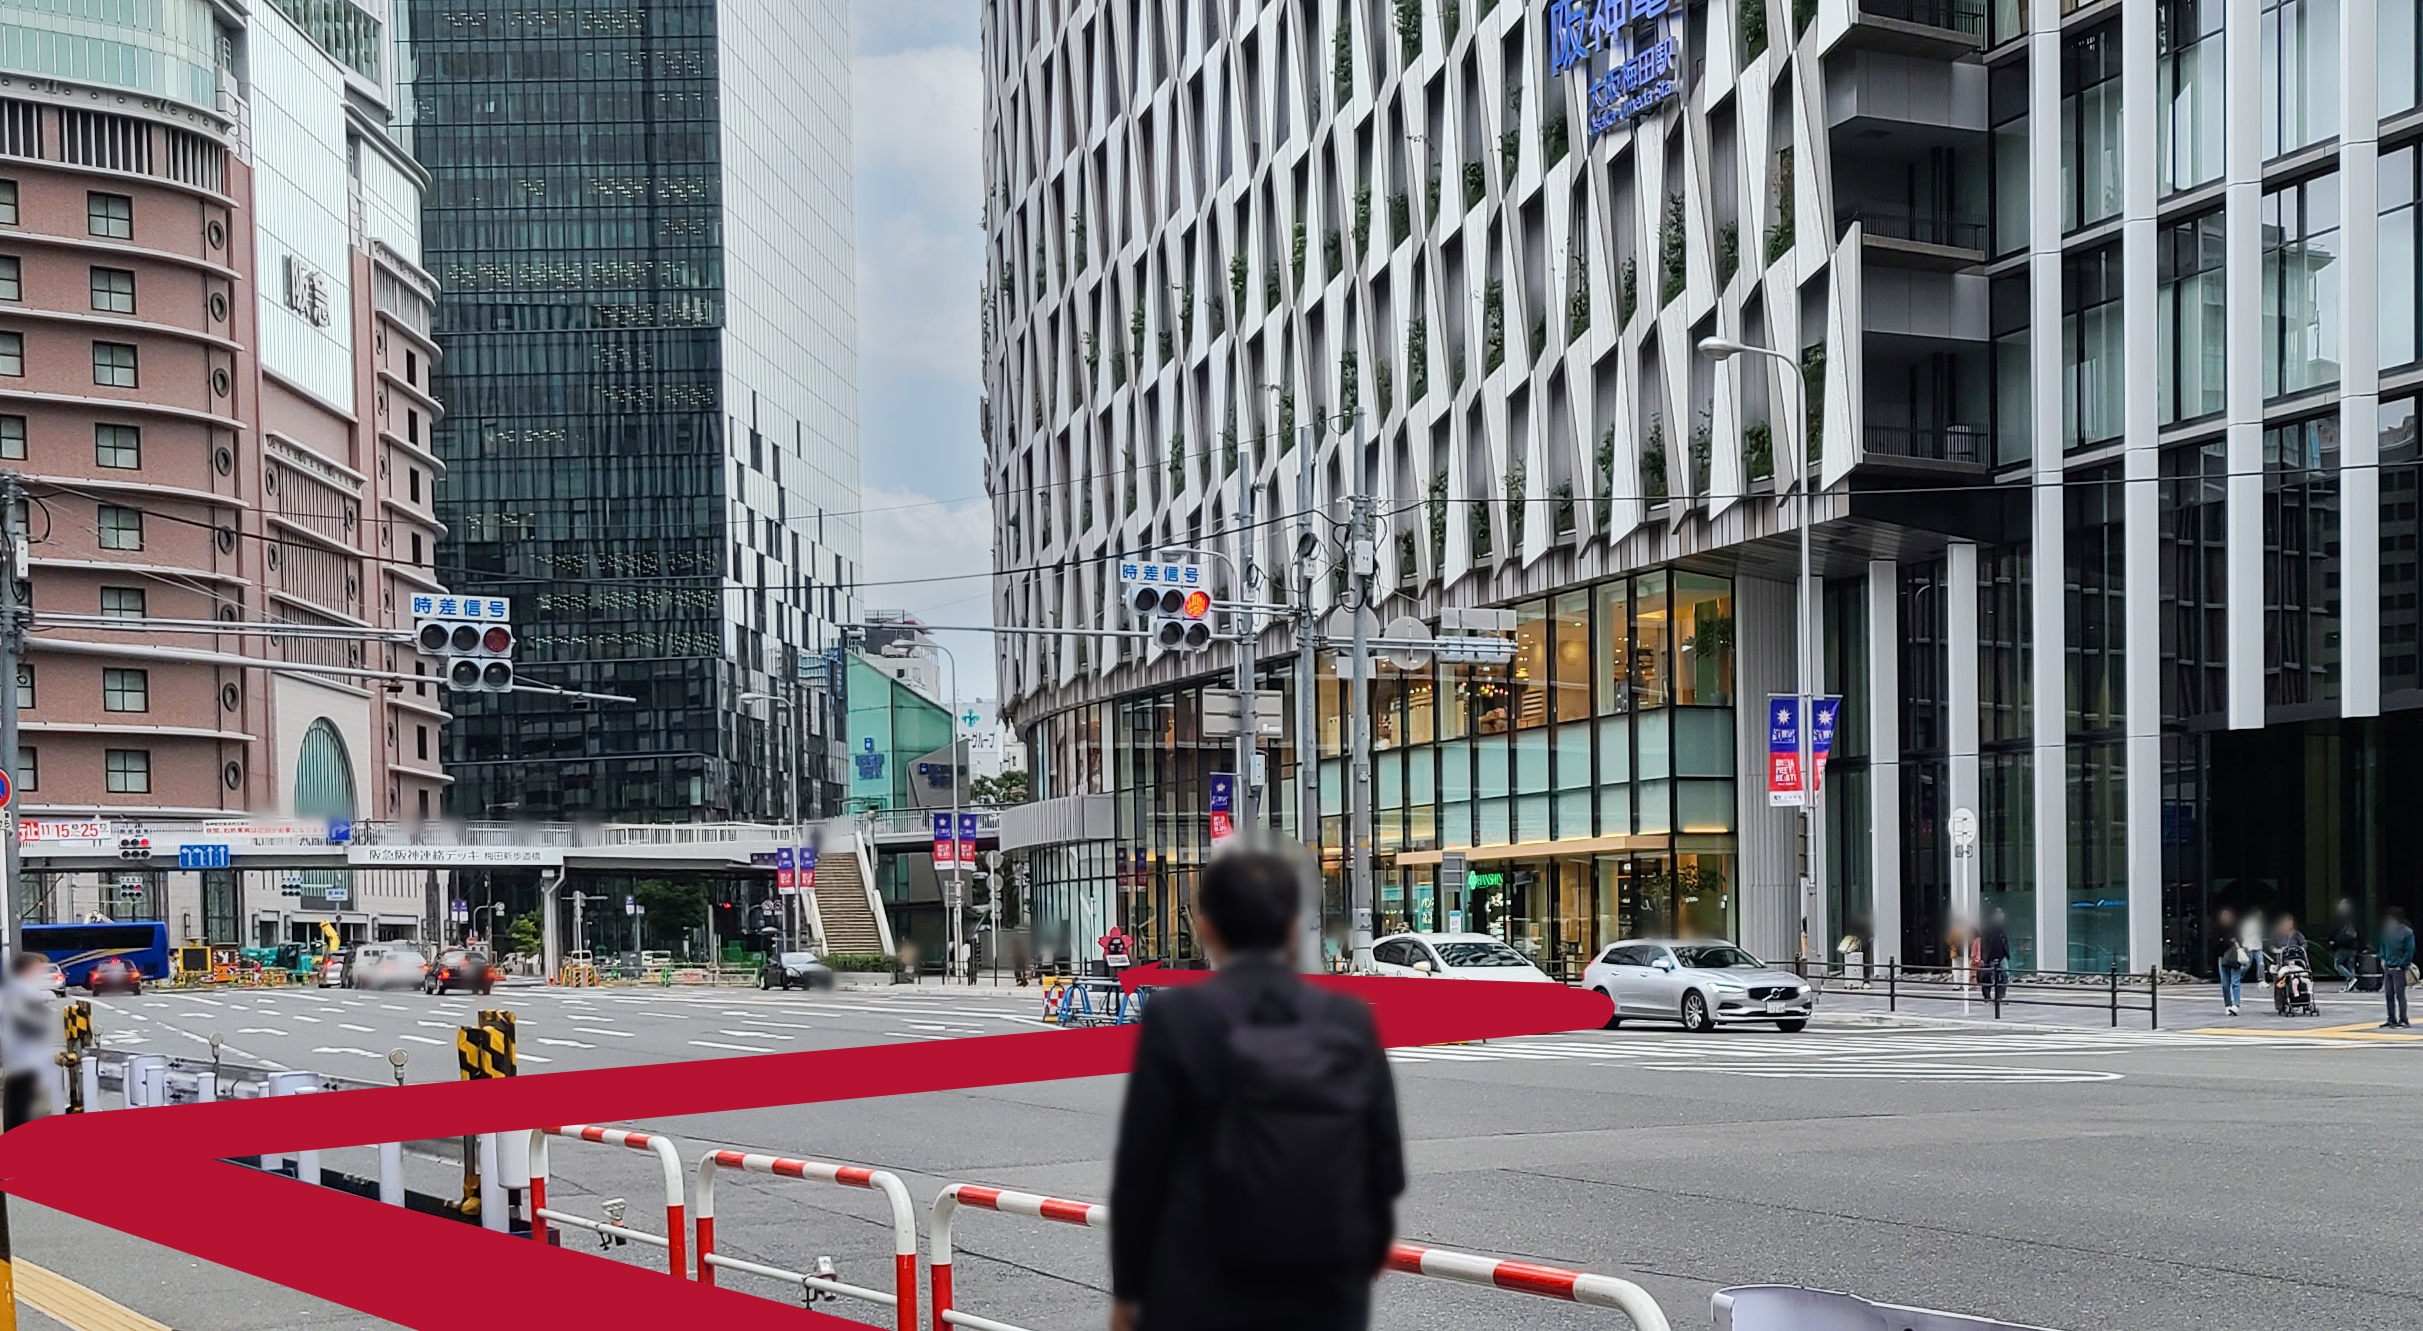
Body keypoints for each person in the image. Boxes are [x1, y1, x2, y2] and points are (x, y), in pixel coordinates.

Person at [1109, 849, 1404, 1331]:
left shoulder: (1176, 1019)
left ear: (1208, 929)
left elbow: (1142, 1172)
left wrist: (1130, 1293)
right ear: (1291, 927)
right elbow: (1383, 1164)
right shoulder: (1349, 1019)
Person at [2, 951, 59, 1128]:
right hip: (24, 1058)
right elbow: (42, 999)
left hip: (19, 1057)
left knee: (17, 1100)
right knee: (21, 1102)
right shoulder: (20, 988)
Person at [2381, 909, 2416, 1029]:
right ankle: (2391, 1018)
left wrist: (2403, 963)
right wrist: (2383, 958)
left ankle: (2403, 1019)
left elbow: (2410, 950)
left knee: (2400, 994)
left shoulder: (2407, 932)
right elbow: (2383, 945)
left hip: (2398, 967)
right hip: (2388, 966)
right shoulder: (2388, 932)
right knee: (2389, 993)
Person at [2215, 909, 2247, 1017]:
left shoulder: (2235, 928)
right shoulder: (2218, 928)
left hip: (2234, 958)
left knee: (2235, 982)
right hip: (2222, 957)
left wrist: (2224, 941)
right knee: (2225, 984)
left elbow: (2240, 941)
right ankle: (2228, 1005)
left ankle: (2236, 1005)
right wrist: (2228, 941)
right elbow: (2215, 943)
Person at [2328, 900, 2363, 991]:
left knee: (2338, 964)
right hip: (2353, 945)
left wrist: (2331, 939)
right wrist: (2362, 946)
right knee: (2351, 965)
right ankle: (2351, 985)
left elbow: (2335, 929)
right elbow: (2359, 932)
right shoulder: (2354, 918)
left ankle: (2351, 978)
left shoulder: (2340, 918)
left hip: (2343, 945)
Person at [1979, 910, 2011, 1006]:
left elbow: (2005, 941)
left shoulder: (2002, 928)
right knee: (1987, 977)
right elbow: (1984, 944)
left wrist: (2007, 954)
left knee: (2005, 975)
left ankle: (2000, 997)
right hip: (1989, 957)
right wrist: (1983, 958)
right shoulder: (1987, 929)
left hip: (2002, 955)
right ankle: (1987, 997)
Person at [2240, 909, 2267, 986]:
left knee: (2261, 964)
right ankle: (2237, 977)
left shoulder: (2259, 923)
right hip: (2249, 946)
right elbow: (2245, 934)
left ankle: (2261, 980)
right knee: (2247, 965)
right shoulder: (2248, 923)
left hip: (2258, 946)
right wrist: (2249, 945)